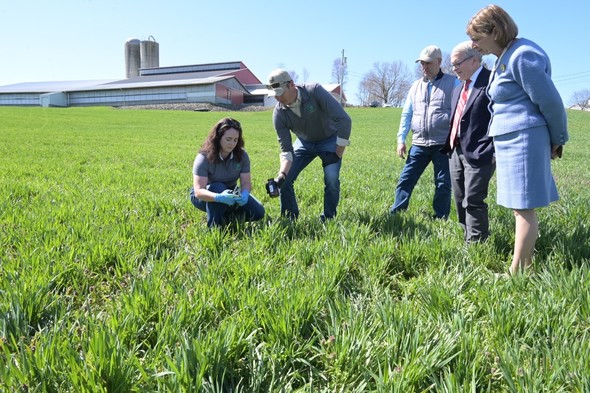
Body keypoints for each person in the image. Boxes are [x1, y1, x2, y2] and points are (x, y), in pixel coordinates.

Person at [467, 5, 568, 274]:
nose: (474, 45)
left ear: (495, 31)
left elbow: (550, 101)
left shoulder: (523, 55)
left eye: (477, 38)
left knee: (523, 207)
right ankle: (521, 265)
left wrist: (558, 139)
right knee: (518, 207)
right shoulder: (505, 56)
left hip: (525, 138)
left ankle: (519, 271)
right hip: (511, 139)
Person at [267, 69, 352, 221]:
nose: (278, 98)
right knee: (286, 181)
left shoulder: (314, 91)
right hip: (304, 142)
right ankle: (290, 218)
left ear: (291, 84)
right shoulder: (279, 113)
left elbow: (344, 120)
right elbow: (286, 150)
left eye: (280, 93)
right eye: (275, 95)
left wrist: (337, 154)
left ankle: (328, 217)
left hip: (329, 139)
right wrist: (281, 176)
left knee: (331, 178)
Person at [390, 45, 458, 219]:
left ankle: (441, 216)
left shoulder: (453, 83)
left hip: (443, 144)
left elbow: (460, 112)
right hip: (419, 143)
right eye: (422, 63)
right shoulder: (415, 86)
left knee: (443, 183)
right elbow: (407, 114)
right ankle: (397, 212)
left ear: (439, 62)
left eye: (428, 63)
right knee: (406, 179)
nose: (424, 67)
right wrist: (401, 139)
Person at [441, 41, 495, 243]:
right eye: (452, 65)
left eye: (457, 63)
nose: (454, 68)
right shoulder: (458, 89)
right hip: (456, 150)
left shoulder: (492, 82)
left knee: (473, 199)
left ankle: (476, 243)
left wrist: (492, 148)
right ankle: (467, 236)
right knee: (459, 197)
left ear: (474, 60)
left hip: (480, 151)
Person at [189, 117, 265, 228]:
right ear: (218, 137)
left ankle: (228, 217)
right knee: (218, 186)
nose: (232, 143)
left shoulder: (242, 156)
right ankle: (215, 228)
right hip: (205, 196)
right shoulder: (203, 157)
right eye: (228, 139)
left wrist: (244, 194)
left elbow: (246, 183)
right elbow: (199, 191)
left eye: (235, 140)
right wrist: (218, 197)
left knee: (258, 212)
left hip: (230, 193)